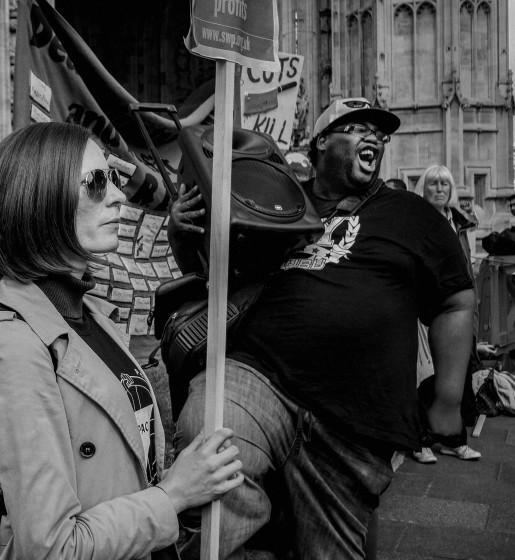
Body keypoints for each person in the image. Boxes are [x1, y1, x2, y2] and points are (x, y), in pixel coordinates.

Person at [168, 97, 476, 557]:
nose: (372, 136)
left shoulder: (412, 213)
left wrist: (449, 399)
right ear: (320, 143)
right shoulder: (274, 195)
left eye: (379, 132)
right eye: (355, 127)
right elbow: (215, 266)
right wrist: (181, 230)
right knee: (212, 439)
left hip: (356, 418)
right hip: (260, 377)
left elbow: (456, 302)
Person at [0, 121, 243, 559]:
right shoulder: (12, 348)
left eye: (113, 178)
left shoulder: (86, 312)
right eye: (95, 182)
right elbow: (52, 547)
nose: (117, 195)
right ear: (38, 200)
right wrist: (173, 496)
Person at [409, 165, 482, 463]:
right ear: (423, 188)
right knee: (424, 379)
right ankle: (420, 440)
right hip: (426, 309)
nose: (439, 188)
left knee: (458, 378)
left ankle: (452, 439)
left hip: (457, 310)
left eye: (444, 184)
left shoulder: (460, 223)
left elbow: (468, 269)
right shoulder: (415, 220)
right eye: (433, 183)